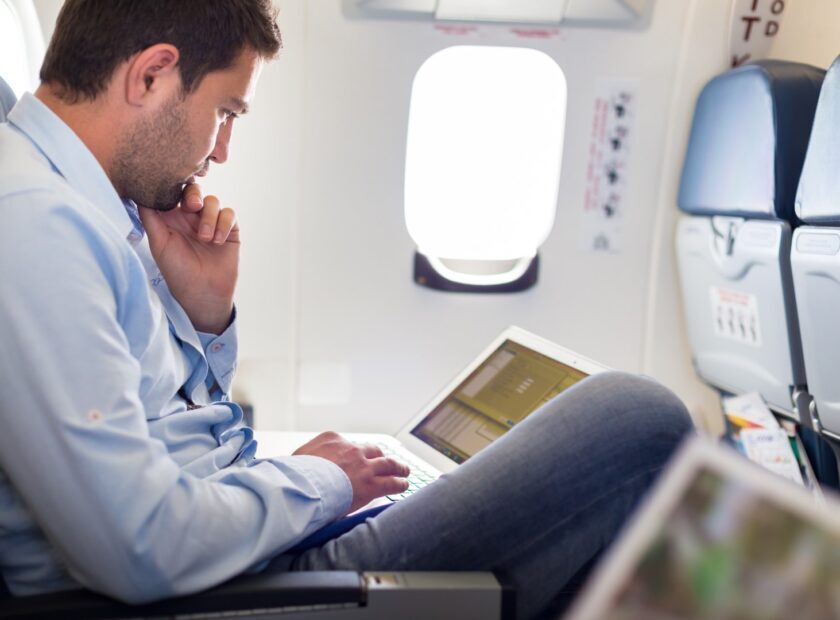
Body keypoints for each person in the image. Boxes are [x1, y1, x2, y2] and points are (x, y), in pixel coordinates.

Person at [0, 1, 693, 617]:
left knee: (593, 528)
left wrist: (205, 319)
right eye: (225, 112)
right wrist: (322, 480)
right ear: (151, 74)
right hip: (223, 591)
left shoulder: (93, 204)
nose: (221, 150)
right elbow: (138, 546)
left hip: (238, 557)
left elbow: (169, 439)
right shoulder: (37, 226)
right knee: (636, 419)